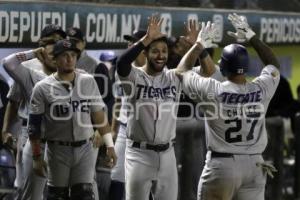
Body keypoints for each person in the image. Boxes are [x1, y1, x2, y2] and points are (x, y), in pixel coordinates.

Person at [176, 13, 280, 200]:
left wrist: (199, 45)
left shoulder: (212, 89)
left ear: (223, 68)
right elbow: (273, 63)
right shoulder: (262, 88)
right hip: (255, 165)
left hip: (222, 166)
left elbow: (181, 71)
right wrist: (251, 35)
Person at [116, 16, 216, 200]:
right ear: (145, 53)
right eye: (155, 51)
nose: (161, 55)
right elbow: (121, 64)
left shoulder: (174, 76)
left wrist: (199, 47)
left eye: (164, 51)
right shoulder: (134, 77)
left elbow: (209, 71)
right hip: (139, 154)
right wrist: (145, 39)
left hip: (167, 154)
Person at [27, 39, 117, 199]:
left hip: (85, 148)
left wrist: (110, 145)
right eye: (64, 55)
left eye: (73, 55)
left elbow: (99, 115)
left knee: (84, 194)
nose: (70, 59)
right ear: (54, 59)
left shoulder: (88, 81)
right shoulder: (42, 87)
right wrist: (36, 156)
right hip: (57, 149)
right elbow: (34, 126)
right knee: (57, 195)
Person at [2, 24, 66, 200]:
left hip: (57, 136)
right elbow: (14, 101)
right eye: (52, 39)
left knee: (54, 189)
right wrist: (6, 129)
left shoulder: (67, 68)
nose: (57, 43)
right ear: (42, 44)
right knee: (26, 186)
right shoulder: (27, 67)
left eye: (60, 39)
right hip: (28, 129)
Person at [108, 29, 146, 200]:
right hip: (124, 129)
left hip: (147, 134)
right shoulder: (121, 70)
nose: (130, 45)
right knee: (116, 175)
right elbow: (118, 100)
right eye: (129, 42)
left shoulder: (157, 69)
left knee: (144, 180)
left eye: (134, 42)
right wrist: (113, 129)